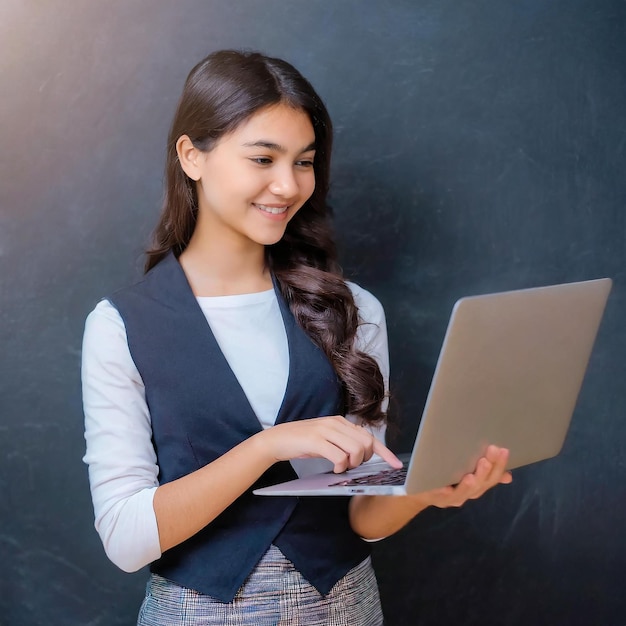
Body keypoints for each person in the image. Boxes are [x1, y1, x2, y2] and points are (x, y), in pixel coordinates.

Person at [82, 49, 512, 626]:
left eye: (304, 162)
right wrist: (267, 445)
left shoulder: (354, 310)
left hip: (346, 609)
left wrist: (424, 492)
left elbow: (362, 516)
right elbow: (126, 539)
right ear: (192, 156)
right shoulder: (119, 326)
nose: (287, 185)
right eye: (263, 158)